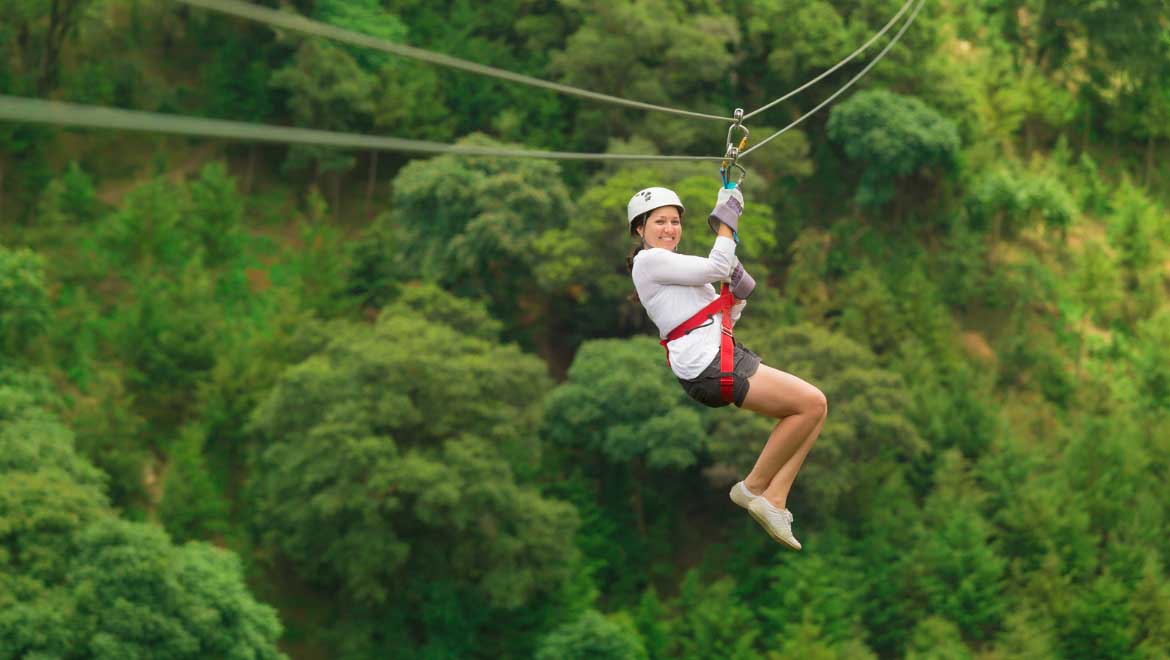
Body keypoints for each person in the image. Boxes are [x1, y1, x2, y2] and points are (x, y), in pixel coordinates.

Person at [626, 185, 827, 550]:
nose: (669, 228)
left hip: (714, 361)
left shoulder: (674, 265)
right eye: (659, 222)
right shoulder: (650, 261)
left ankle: (774, 497)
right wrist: (727, 219)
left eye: (674, 221)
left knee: (811, 410)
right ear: (640, 229)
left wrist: (735, 297)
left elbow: (719, 311)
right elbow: (717, 264)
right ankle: (755, 490)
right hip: (710, 365)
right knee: (812, 403)